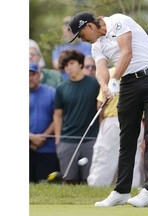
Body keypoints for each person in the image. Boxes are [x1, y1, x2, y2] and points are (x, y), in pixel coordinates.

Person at [68, 12, 148, 207]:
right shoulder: (96, 46)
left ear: (89, 25)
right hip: (129, 84)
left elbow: (126, 52)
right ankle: (122, 191)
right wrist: (105, 86)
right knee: (127, 138)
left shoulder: (118, 22)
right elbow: (101, 69)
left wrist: (114, 80)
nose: (82, 39)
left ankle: (147, 190)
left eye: (81, 34)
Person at [87, 67, 144, 187]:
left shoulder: (110, 73)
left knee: (104, 157)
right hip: (136, 121)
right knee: (132, 158)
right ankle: (131, 189)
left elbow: (100, 104)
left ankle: (97, 187)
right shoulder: (143, 73)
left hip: (113, 121)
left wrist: (102, 123)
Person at [53, 49, 100, 184]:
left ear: (80, 64)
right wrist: (58, 138)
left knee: (90, 180)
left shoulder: (94, 84)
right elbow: (57, 115)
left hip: (91, 138)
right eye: (66, 65)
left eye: (72, 63)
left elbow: (101, 112)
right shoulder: (61, 88)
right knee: (69, 180)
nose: (69, 67)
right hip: (67, 140)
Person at [29, 61, 60, 183]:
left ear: (39, 75)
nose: (30, 78)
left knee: (45, 184)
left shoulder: (51, 92)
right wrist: (31, 138)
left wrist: (43, 137)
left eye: (33, 74)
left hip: (47, 148)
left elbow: (57, 117)